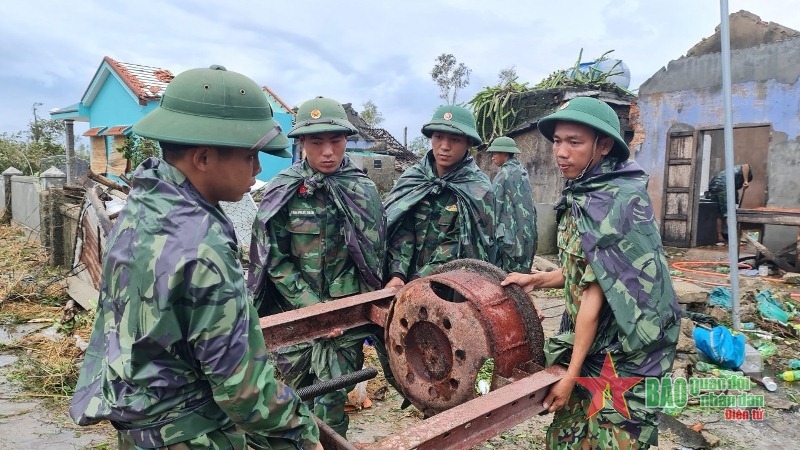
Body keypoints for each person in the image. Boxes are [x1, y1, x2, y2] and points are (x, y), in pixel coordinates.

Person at [69, 65, 322, 450]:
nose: (257, 169)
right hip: (190, 434)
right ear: (203, 157)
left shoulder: (144, 206)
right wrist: (301, 432)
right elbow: (241, 388)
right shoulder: (202, 244)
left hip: (140, 424)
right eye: (250, 156)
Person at [501, 97, 680, 449]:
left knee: (612, 437)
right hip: (594, 339)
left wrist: (570, 375)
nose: (561, 152)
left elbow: (593, 300)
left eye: (574, 142)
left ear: (604, 145)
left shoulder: (616, 201)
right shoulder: (583, 192)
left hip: (627, 348)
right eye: (557, 141)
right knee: (569, 435)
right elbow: (583, 271)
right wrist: (537, 279)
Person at [247, 96, 385, 438]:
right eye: (316, 142)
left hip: (345, 317)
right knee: (297, 397)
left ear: (346, 141)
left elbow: (371, 258)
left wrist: (341, 311)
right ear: (302, 143)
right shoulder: (283, 189)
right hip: (295, 313)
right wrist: (312, 308)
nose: (327, 152)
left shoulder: (362, 189)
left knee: (333, 400)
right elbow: (272, 257)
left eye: (335, 141)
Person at [383, 105, 495, 288]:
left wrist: (420, 280)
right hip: (401, 283)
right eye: (438, 137)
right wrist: (398, 273)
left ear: (468, 143)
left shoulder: (478, 190)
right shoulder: (413, 178)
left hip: (451, 287)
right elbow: (402, 227)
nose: (444, 146)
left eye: (455, 139)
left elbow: (459, 243)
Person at [487, 136, 538, 274]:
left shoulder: (503, 175)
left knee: (506, 277)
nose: (492, 157)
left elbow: (494, 207)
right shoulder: (521, 172)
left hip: (509, 237)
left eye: (494, 153)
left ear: (504, 153)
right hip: (527, 236)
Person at [707, 163, 752, 245]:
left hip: (713, 185)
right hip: (724, 186)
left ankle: (719, 237)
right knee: (729, 213)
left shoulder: (731, 173)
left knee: (719, 213)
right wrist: (746, 181)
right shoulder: (741, 170)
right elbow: (745, 165)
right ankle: (734, 239)